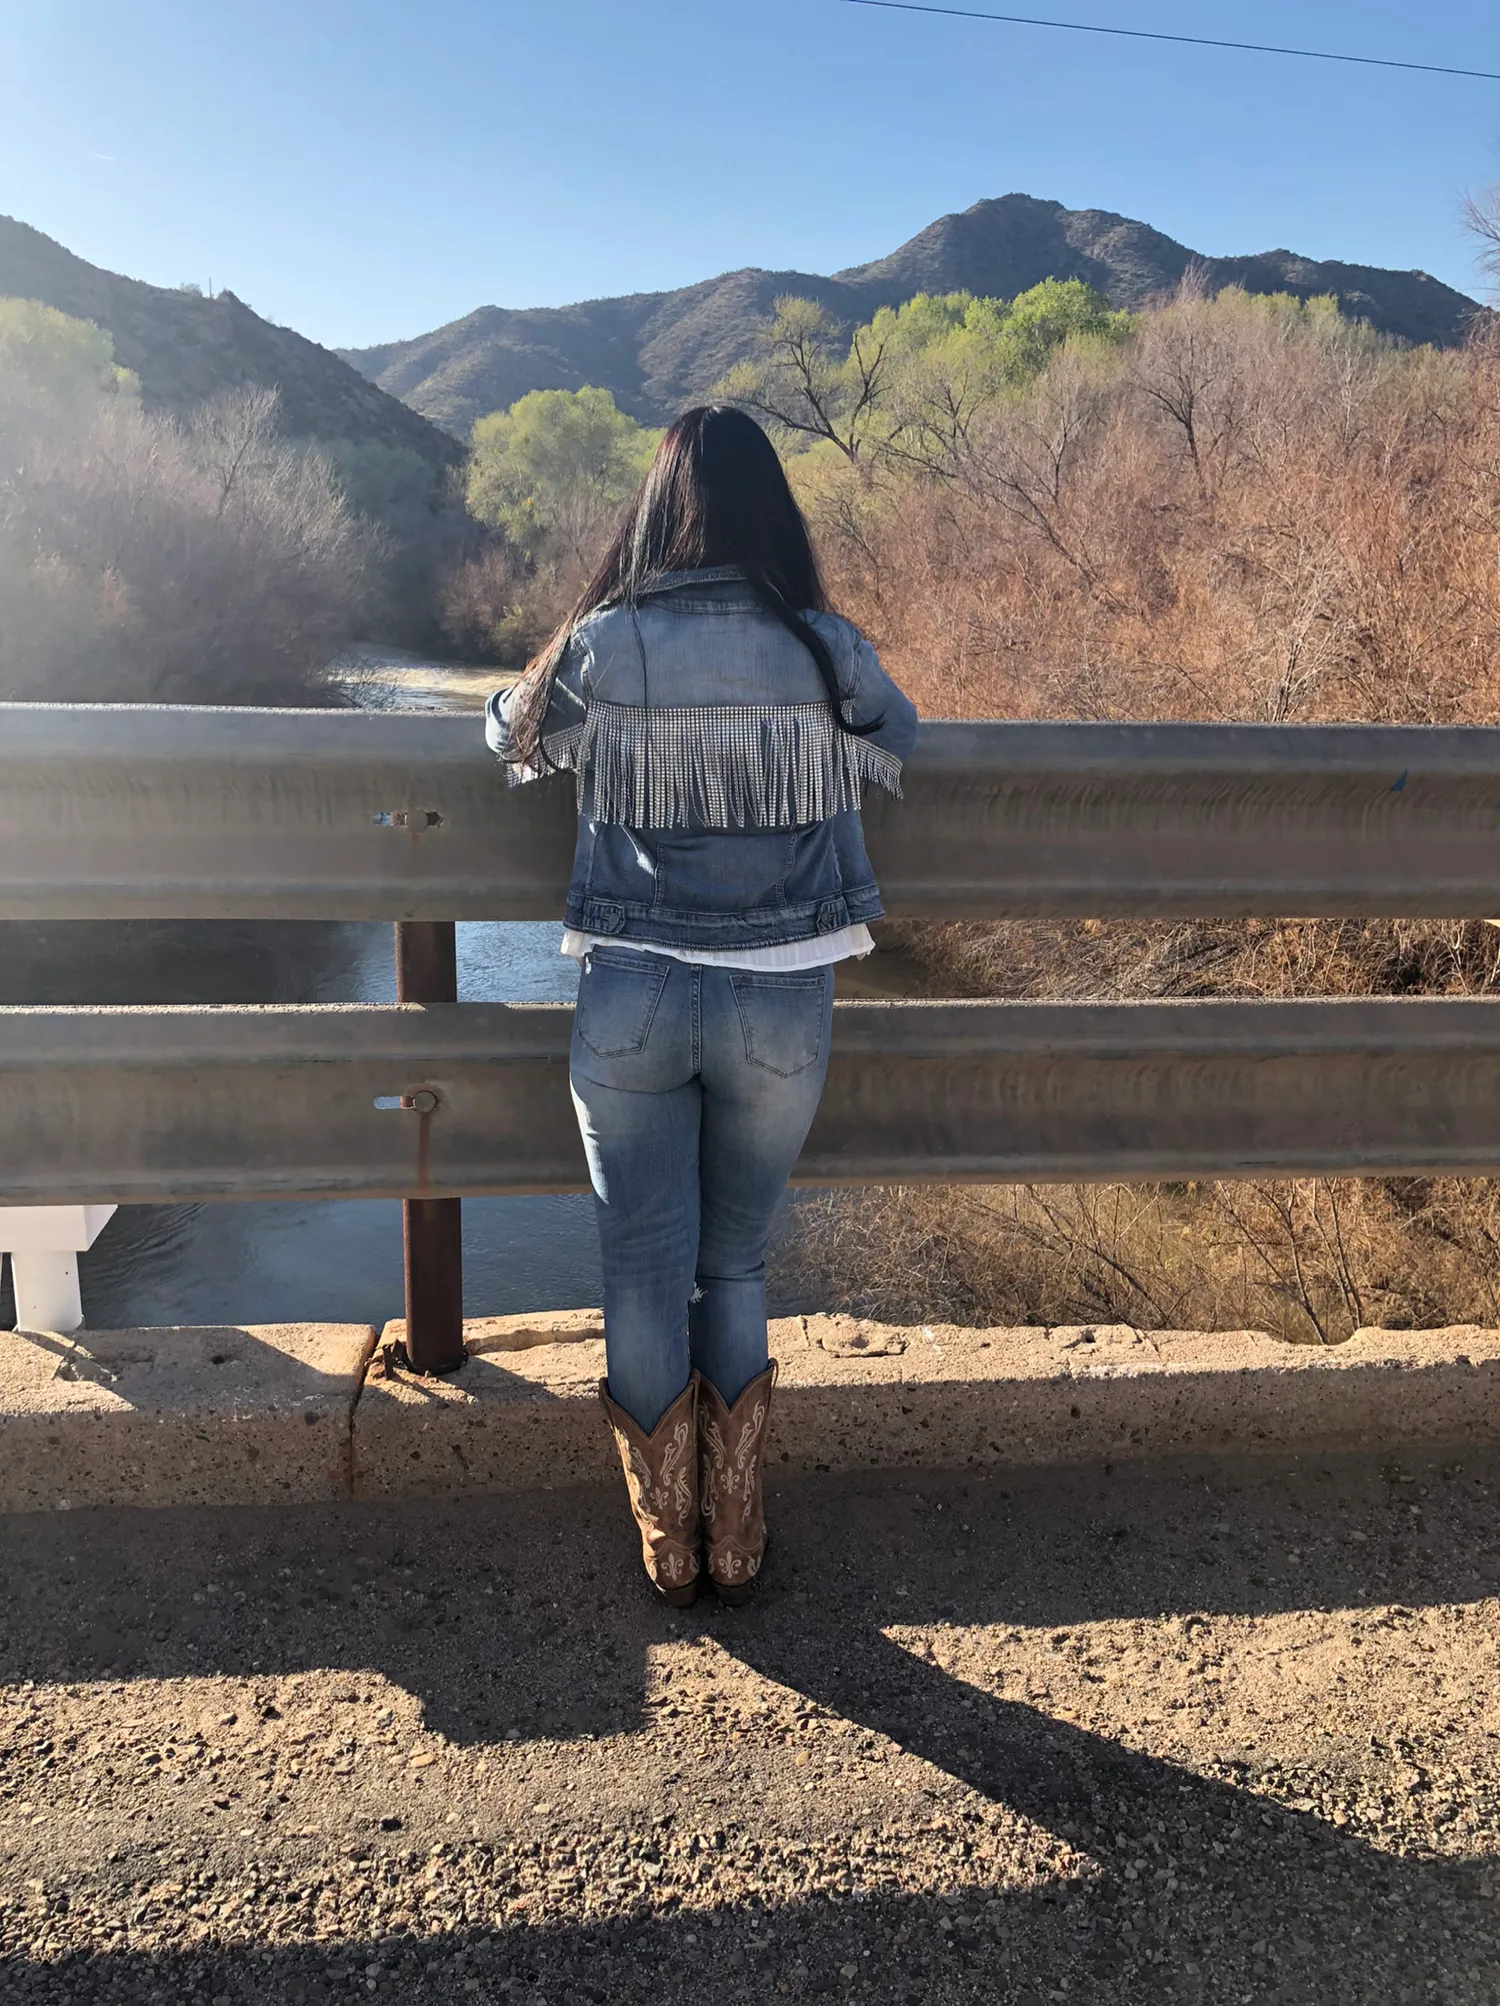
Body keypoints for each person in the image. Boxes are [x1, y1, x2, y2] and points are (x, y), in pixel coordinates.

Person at [485, 405, 918, 1606]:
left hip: (631, 984)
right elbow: (903, 737)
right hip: (781, 998)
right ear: (772, 512)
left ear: (657, 509)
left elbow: (507, 735)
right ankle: (737, 1525)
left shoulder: (605, 642)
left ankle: (666, 1539)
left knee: (637, 1259)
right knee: (732, 1259)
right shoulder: (825, 646)